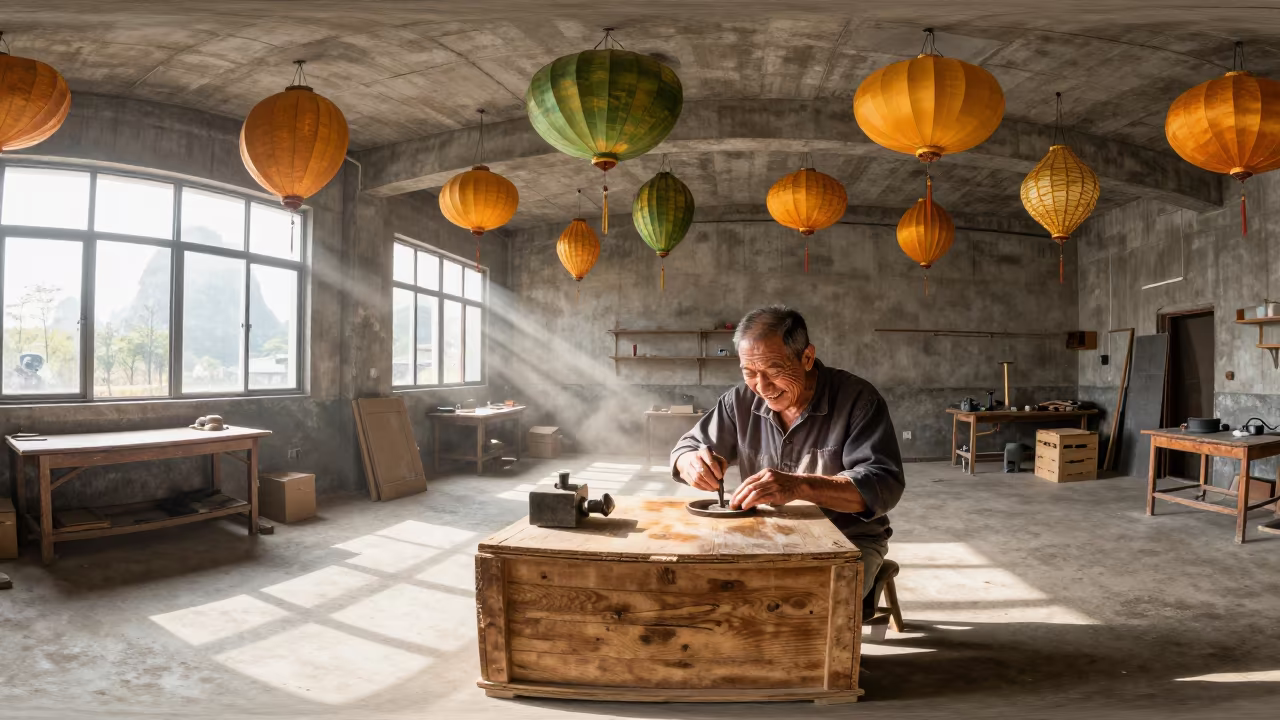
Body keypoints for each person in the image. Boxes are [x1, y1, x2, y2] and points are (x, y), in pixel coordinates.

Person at [671, 305, 904, 597]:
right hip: (763, 532)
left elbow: (883, 485)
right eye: (750, 372)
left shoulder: (858, 400)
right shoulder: (739, 401)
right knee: (702, 591)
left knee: (808, 605)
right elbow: (687, 446)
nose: (762, 386)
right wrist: (688, 461)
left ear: (807, 357)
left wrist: (800, 485)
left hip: (847, 538)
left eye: (774, 371)